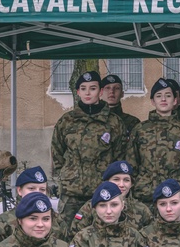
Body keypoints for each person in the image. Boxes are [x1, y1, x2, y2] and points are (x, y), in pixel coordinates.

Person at [51, 71, 128, 226]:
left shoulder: (113, 122)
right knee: (65, 232)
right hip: (71, 191)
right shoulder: (67, 121)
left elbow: (120, 155)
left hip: (101, 191)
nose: (88, 92)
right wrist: (65, 175)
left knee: (101, 234)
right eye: (83, 88)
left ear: (100, 92)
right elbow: (57, 151)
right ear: (78, 92)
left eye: (92, 88)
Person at [127, 78, 180, 204]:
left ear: (175, 100)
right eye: (159, 96)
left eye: (168, 95)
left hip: (175, 195)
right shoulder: (140, 129)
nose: (163, 99)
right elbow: (132, 164)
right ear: (153, 101)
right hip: (145, 195)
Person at [66, 160, 153, 240]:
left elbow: (150, 239)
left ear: (131, 184)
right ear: (107, 181)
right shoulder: (90, 206)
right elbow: (75, 236)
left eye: (126, 180)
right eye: (116, 179)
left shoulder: (141, 209)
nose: (121, 184)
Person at [0, 165, 65, 247]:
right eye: (31, 188)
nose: (37, 193)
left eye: (42, 189)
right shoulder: (1, 223)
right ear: (19, 190)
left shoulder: (57, 220)